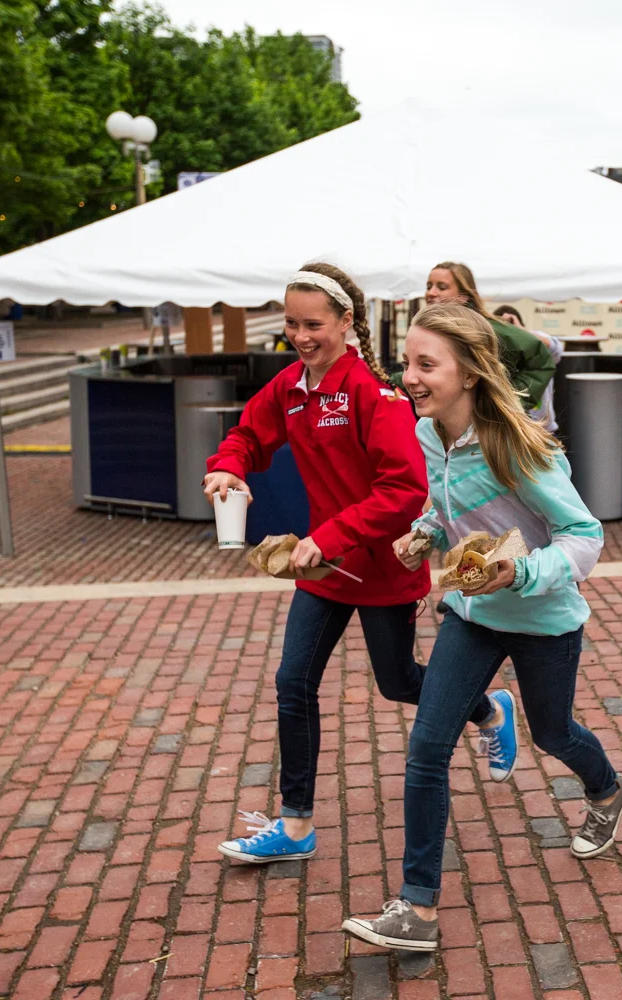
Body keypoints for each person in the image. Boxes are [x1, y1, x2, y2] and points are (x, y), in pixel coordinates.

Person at [204, 265, 518, 865]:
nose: (300, 336)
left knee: (398, 682)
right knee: (292, 683)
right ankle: (295, 826)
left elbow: (403, 489)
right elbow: (249, 432)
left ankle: (488, 707)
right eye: (291, 323)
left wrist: (334, 534)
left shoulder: (375, 394)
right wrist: (229, 465)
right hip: (324, 571)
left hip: (381, 568)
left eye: (313, 324)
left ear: (347, 323)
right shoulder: (291, 387)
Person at [342, 302, 622, 952]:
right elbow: (450, 512)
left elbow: (584, 536)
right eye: (407, 361)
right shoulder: (426, 436)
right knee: (427, 747)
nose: (409, 376)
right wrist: (425, 533)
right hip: (472, 616)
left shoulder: (515, 445)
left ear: (469, 372)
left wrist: (523, 575)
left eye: (426, 364)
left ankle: (606, 790)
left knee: (553, 733)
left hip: (544, 617)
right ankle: (416, 910)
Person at [425, 262, 557, 407]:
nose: (431, 292)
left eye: (442, 287)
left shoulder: (489, 329)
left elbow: (541, 361)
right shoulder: (429, 333)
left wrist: (510, 402)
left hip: (490, 426)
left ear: (463, 296)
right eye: (429, 286)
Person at [494, 303, 565, 432]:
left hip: (543, 431)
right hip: (510, 429)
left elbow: (557, 349)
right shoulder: (493, 349)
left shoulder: (535, 345)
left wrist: (520, 332)